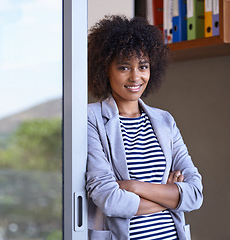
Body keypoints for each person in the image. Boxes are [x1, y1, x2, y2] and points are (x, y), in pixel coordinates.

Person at [86, 15, 203, 240]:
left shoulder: (165, 121)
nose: (135, 76)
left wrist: (133, 187)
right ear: (105, 69)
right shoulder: (92, 119)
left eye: (143, 66)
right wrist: (169, 198)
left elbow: (195, 194)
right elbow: (108, 198)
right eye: (123, 67)